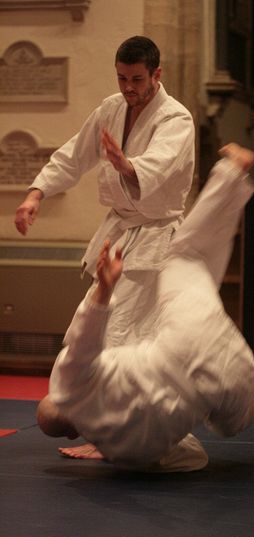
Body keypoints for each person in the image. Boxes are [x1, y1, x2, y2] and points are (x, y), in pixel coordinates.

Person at [36, 143, 254, 473]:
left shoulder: (128, 449)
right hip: (187, 333)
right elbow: (85, 335)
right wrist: (104, 291)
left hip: (215, 380)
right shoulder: (71, 382)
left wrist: (109, 450)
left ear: (74, 432)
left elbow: (194, 457)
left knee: (241, 414)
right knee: (185, 255)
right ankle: (232, 173)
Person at [14, 35, 195, 346]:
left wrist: (126, 165)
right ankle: (92, 387)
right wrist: (36, 194)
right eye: (122, 78)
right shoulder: (111, 109)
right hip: (119, 233)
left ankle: (105, 388)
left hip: (155, 237)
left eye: (137, 79)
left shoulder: (176, 119)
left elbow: (159, 164)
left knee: (121, 329)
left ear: (157, 74)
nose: (128, 87)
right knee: (100, 319)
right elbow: (74, 156)